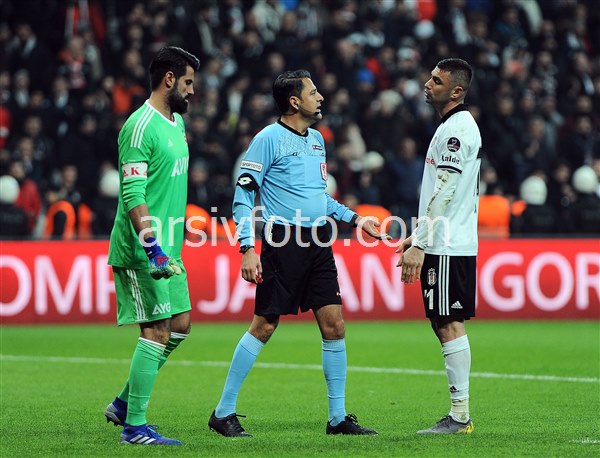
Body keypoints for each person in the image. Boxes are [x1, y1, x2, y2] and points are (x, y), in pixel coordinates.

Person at [208, 69, 387, 437]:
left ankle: (337, 418)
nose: (320, 97)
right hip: (284, 243)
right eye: (313, 92)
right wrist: (247, 248)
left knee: (335, 325)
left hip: (319, 242)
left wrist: (355, 219)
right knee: (264, 325)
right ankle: (223, 412)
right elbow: (243, 195)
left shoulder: (317, 140)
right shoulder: (267, 139)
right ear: (294, 101)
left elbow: (318, 198)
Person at [103, 46, 200, 446]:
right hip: (144, 249)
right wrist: (152, 248)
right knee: (156, 330)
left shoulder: (176, 122)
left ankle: (124, 403)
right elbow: (133, 194)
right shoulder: (139, 127)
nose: (192, 90)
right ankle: (134, 428)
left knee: (180, 325)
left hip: (169, 248)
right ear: (169, 79)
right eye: (188, 82)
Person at [396, 58, 480, 435]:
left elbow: (444, 191)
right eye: (430, 78)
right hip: (445, 238)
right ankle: (459, 414)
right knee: (442, 321)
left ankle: (460, 415)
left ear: (456, 91)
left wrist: (422, 243)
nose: (427, 84)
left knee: (447, 323)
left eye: (437, 81)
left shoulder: (456, 130)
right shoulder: (453, 126)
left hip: (446, 243)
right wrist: (418, 235)